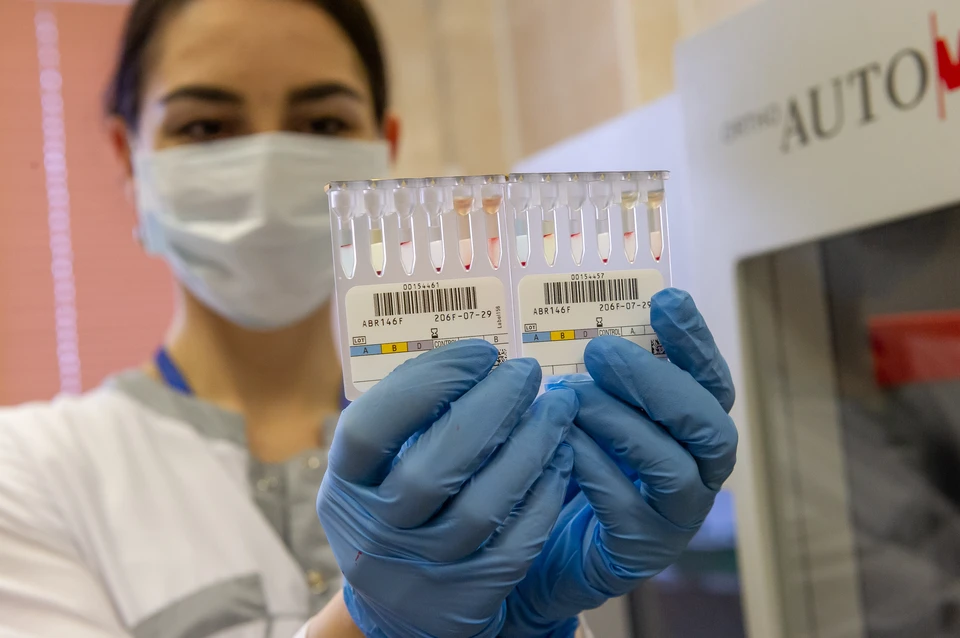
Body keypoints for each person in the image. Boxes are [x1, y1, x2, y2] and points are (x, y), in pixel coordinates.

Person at [0, 0, 738, 636]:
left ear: (383, 150)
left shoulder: (506, 440)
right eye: (205, 126)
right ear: (127, 156)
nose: (264, 166)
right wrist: (372, 625)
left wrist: (531, 624)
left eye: (322, 120)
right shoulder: (31, 473)